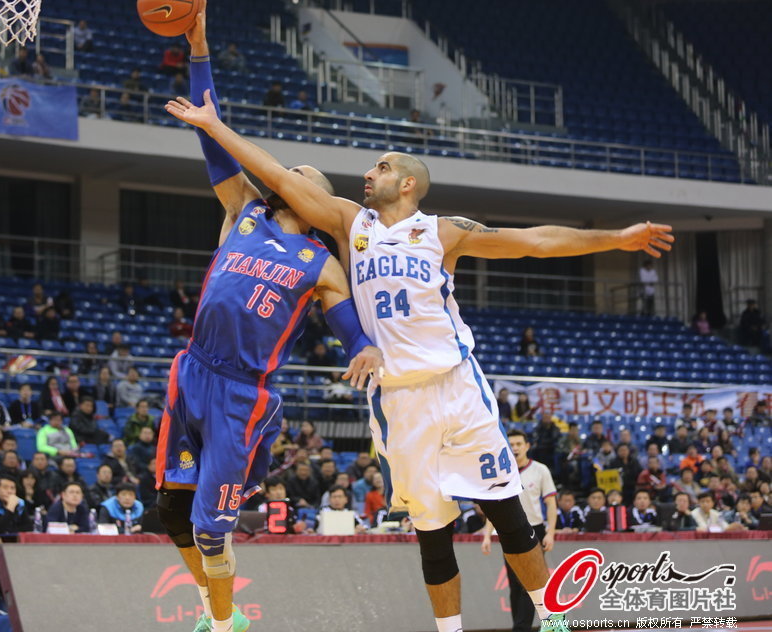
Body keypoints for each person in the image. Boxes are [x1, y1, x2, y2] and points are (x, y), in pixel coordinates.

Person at [170, 65, 675, 632]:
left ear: (408, 182)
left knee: (507, 511)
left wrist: (616, 238)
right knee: (432, 533)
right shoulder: (349, 224)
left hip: (455, 387)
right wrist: (215, 127)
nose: (369, 173)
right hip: (398, 400)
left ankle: (552, 618)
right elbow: (280, 181)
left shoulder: (443, 231)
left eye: (381, 167)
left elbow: (534, 242)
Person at [157, 12, 383, 632]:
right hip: (192, 371)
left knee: (211, 529)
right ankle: (220, 613)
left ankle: (223, 623)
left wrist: (362, 347)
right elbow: (211, 135)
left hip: (242, 392)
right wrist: (199, 48)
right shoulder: (245, 209)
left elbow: (347, 327)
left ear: (316, 201)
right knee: (172, 513)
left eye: (303, 175)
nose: (290, 173)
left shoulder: (321, 262)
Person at [482, 430, 557, 632]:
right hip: (508, 530)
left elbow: (551, 503)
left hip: (535, 529)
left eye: (518, 444)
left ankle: (521, 628)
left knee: (529, 582)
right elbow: (493, 506)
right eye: (511, 444)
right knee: (515, 584)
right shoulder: (501, 471)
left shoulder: (540, 470)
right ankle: (521, 625)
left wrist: (550, 533)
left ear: (527, 446)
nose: (515, 448)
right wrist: (487, 535)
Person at [0, 475, 33, 613]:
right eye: (5, 487)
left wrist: (8, 537)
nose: (10, 491)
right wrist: (9, 509)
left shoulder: (20, 504)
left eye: (12, 488)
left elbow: (28, 527)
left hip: (13, 546)